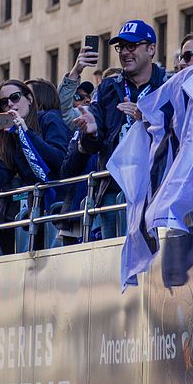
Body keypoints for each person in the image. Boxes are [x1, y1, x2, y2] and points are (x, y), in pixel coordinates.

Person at [71, 19, 168, 238]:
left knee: (155, 261)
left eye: (131, 46)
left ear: (151, 49)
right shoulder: (108, 87)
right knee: (115, 260)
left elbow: (179, 133)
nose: (125, 52)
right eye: (121, 47)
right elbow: (93, 146)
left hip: (156, 187)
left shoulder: (167, 85)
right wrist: (92, 132)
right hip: (114, 189)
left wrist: (146, 119)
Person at [0, 80, 70, 253]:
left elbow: (59, 160)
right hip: (36, 209)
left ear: (29, 99)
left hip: (59, 204)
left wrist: (27, 132)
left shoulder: (49, 118)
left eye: (14, 98)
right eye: (3, 103)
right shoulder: (9, 135)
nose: (10, 104)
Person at [57, 46, 100, 131]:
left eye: (89, 97)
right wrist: (75, 71)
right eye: (78, 96)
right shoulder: (85, 116)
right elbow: (63, 112)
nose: (86, 100)